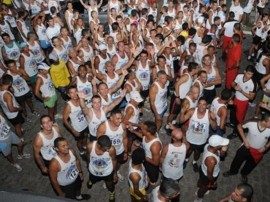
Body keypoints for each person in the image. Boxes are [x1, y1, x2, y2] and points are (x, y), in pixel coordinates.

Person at [223, 113, 270, 183]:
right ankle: (233, 171)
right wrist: (244, 140)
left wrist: (266, 147)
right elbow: (239, 126)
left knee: (250, 165)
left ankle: (244, 174)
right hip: (246, 147)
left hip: (258, 151)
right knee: (237, 160)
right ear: (265, 121)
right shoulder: (252, 122)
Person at [180, 98, 217, 172]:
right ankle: (186, 160)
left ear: (207, 106)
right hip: (189, 138)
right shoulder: (192, 111)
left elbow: (214, 128)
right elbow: (181, 121)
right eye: (199, 103)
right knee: (189, 150)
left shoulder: (209, 114)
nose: (201, 106)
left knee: (197, 152)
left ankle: (194, 162)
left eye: (204, 104)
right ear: (197, 104)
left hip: (201, 140)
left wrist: (213, 119)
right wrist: (182, 112)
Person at [194, 135, 229, 202]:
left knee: (201, 182)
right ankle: (199, 198)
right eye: (222, 144)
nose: (223, 145)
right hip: (208, 176)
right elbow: (209, 175)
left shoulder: (208, 146)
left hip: (202, 169)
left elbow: (221, 155)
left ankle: (199, 187)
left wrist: (223, 151)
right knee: (204, 188)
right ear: (217, 146)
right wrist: (213, 182)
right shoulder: (211, 160)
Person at [96, 109, 128, 181]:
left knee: (118, 162)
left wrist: (126, 151)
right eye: (117, 118)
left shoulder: (122, 126)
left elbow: (125, 138)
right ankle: (108, 178)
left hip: (120, 150)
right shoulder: (103, 127)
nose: (120, 121)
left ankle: (116, 171)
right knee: (108, 165)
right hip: (108, 152)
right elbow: (99, 142)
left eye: (121, 118)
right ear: (111, 118)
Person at [130, 121, 162, 186]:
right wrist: (133, 131)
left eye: (143, 129)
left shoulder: (155, 146)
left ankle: (152, 184)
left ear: (148, 132)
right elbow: (143, 137)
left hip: (151, 164)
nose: (141, 128)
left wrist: (144, 157)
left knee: (152, 177)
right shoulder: (147, 135)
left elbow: (156, 163)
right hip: (146, 159)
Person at [86, 135, 118, 202]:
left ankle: (111, 192)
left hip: (107, 171)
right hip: (94, 170)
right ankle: (91, 181)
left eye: (108, 148)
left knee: (110, 185)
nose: (108, 150)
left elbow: (114, 160)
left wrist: (115, 173)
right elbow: (88, 156)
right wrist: (88, 165)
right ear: (99, 145)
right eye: (106, 149)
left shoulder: (111, 149)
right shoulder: (90, 146)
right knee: (92, 179)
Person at [227, 66, 256, 139]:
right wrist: (234, 87)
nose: (250, 76)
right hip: (236, 98)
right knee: (232, 113)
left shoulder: (253, 83)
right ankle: (232, 123)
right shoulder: (239, 76)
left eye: (251, 74)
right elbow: (233, 83)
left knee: (239, 118)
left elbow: (251, 97)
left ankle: (236, 132)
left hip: (243, 102)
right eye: (248, 74)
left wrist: (241, 90)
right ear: (244, 71)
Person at [63, 86, 89, 158]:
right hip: (77, 128)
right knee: (79, 141)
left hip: (85, 123)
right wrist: (73, 130)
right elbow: (64, 120)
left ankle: (84, 145)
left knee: (86, 135)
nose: (74, 94)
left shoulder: (81, 99)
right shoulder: (69, 106)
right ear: (68, 95)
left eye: (75, 92)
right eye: (71, 93)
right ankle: (81, 151)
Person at [0, 74, 24, 140]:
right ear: (10, 83)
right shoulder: (7, 95)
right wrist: (19, 108)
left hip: (7, 112)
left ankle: (21, 130)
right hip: (13, 114)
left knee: (17, 125)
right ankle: (21, 138)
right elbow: (11, 109)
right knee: (17, 126)